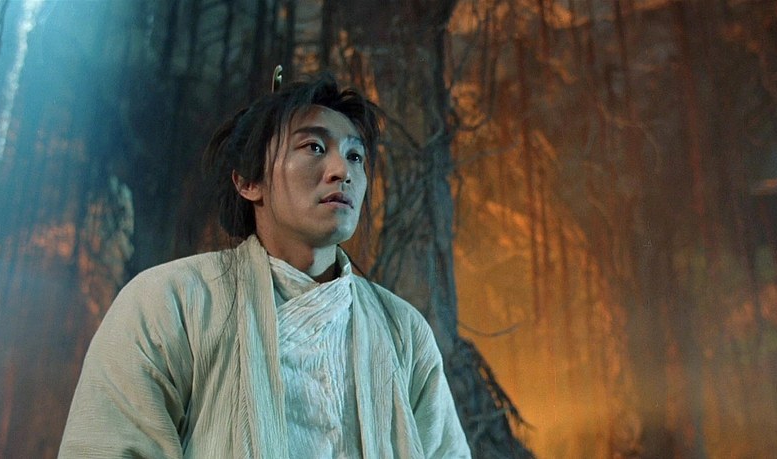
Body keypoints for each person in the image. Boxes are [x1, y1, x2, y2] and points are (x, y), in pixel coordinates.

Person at [59, 72, 470, 458]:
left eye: (355, 155)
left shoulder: (403, 331)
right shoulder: (169, 303)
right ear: (248, 181)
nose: (342, 171)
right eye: (314, 147)